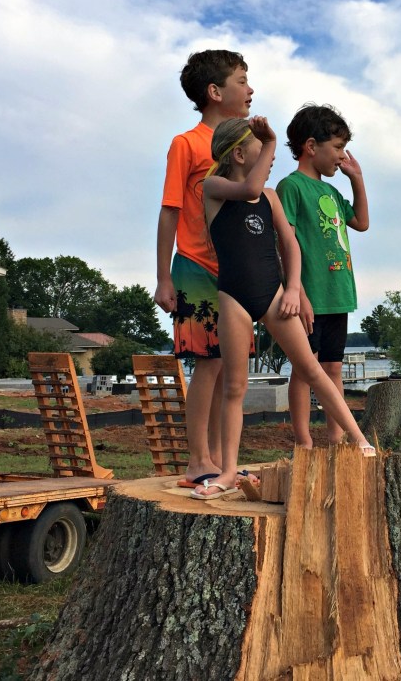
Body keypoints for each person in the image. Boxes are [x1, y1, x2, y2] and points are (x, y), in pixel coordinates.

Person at [193, 116, 375, 500]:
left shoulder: (272, 196)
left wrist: (293, 288)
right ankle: (228, 471)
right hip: (234, 299)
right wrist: (272, 141)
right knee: (235, 386)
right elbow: (248, 187)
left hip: (274, 295)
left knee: (313, 370)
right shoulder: (214, 188)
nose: (270, 155)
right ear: (239, 154)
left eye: (269, 148)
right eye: (259, 148)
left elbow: (290, 245)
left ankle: (360, 440)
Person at [154, 50, 253, 488]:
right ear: (214, 92)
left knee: (230, 368)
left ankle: (220, 461)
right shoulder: (187, 143)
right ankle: (198, 461)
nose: (250, 90)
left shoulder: (243, 145)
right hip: (195, 266)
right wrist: (163, 277)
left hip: (235, 271)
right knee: (208, 365)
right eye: (241, 81)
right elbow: (170, 210)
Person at [275, 104, 369, 447]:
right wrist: (297, 292)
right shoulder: (291, 187)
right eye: (338, 147)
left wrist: (357, 179)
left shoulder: (331, 192)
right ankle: (303, 442)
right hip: (308, 296)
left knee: (333, 369)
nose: (342, 156)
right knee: (304, 369)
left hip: (337, 294)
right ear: (311, 146)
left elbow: (361, 222)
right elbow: (283, 243)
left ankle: (336, 438)